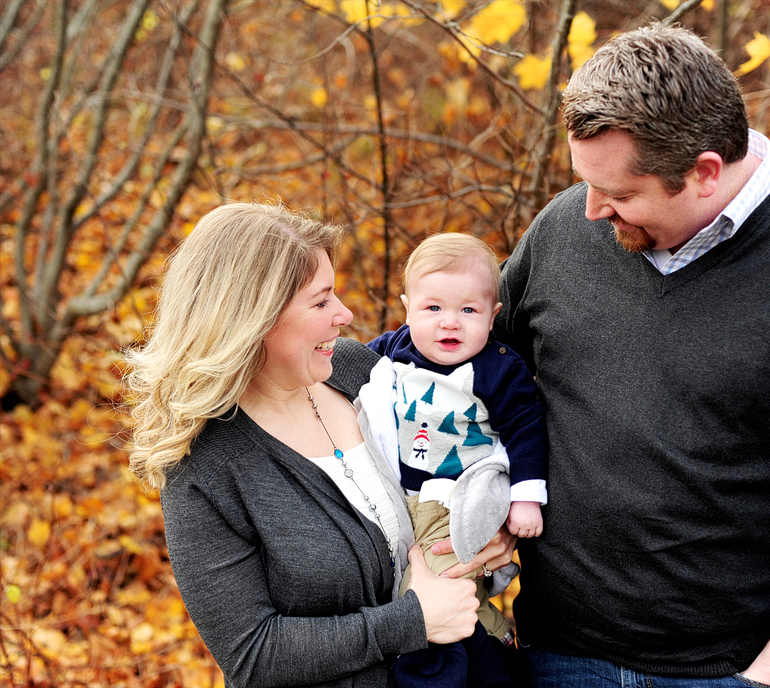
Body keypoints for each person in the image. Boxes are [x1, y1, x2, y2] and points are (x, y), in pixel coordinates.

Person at [492, 22, 770, 688]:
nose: (590, 211)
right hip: (554, 655)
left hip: (731, 669)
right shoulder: (565, 230)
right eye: (585, 184)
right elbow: (478, 375)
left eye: (621, 195)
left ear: (705, 172)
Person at [125, 202, 516, 688]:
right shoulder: (204, 464)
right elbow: (252, 654)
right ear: (255, 317)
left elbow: (463, 446)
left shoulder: (360, 373)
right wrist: (410, 622)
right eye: (321, 301)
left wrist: (489, 527)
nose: (344, 314)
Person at [360, 233, 548, 686]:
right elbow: (348, 375)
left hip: (460, 501)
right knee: (413, 582)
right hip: (402, 498)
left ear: (493, 315)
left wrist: (526, 498)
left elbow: (526, 430)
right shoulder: (395, 348)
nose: (450, 324)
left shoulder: (497, 369)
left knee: (433, 590)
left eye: (468, 310)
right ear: (407, 308)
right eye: (433, 309)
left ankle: (439, 670)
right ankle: (494, 634)